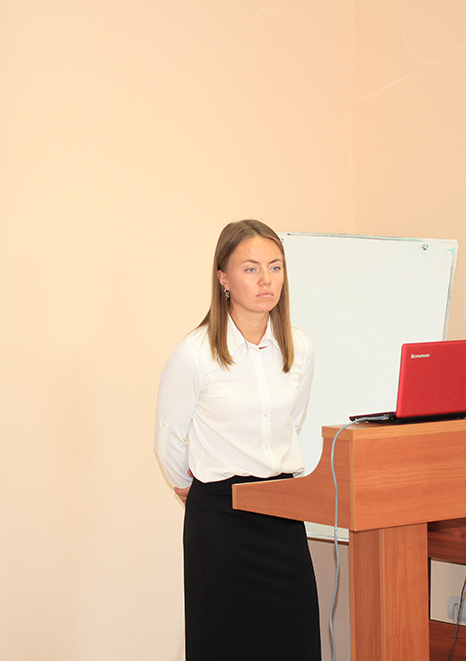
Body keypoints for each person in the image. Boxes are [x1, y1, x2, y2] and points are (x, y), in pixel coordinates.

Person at [155, 219, 320, 661]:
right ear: (223, 278)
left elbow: (292, 421)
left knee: (294, 641)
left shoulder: (299, 348)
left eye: (275, 267)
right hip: (221, 519)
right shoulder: (195, 353)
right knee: (225, 644)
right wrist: (190, 488)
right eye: (251, 268)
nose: (266, 279)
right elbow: (169, 437)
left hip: (283, 510)